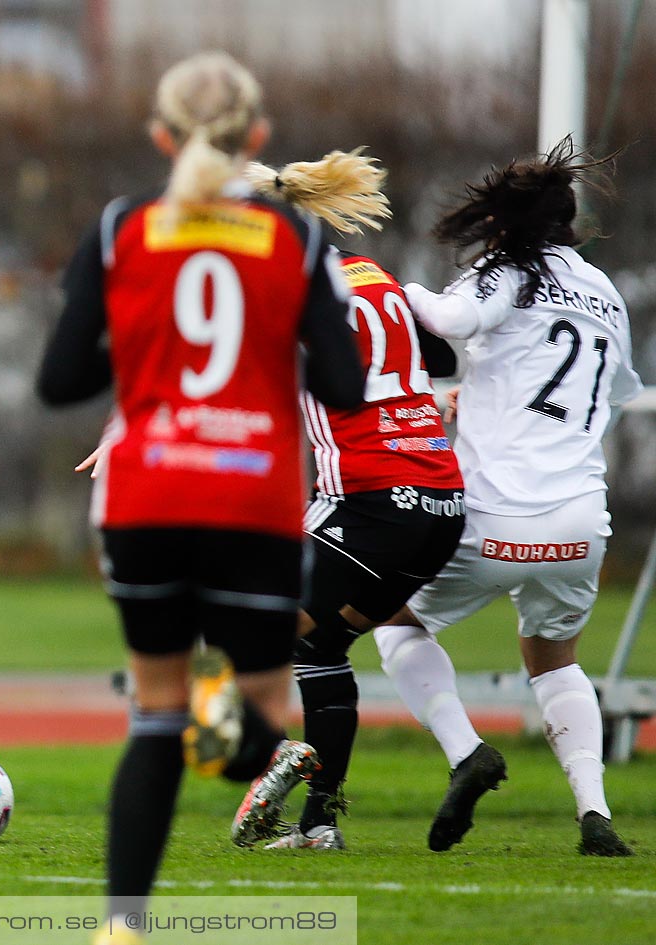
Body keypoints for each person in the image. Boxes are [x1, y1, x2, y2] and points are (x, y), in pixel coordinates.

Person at [35, 51, 363, 938]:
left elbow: (60, 382)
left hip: (144, 497)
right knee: (252, 710)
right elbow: (343, 387)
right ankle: (250, 739)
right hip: (250, 502)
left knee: (155, 712)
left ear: (159, 135)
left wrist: (144, 361)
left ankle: (121, 926)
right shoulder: (296, 240)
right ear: (257, 139)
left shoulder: (120, 229)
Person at [369, 140, 639, 856]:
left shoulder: (506, 271)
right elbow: (610, 396)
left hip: (493, 518)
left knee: (392, 619)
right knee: (554, 658)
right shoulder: (605, 293)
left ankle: (468, 752)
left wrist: (384, 285)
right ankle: (594, 813)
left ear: (501, 225)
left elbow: (450, 322)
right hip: (581, 523)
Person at [229, 150, 466, 850]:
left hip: (372, 502)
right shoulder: (372, 274)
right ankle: (319, 822)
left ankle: (272, 754)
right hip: (440, 505)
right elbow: (441, 360)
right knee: (318, 643)